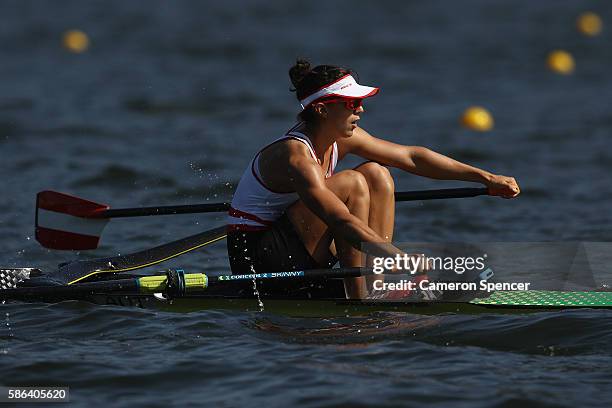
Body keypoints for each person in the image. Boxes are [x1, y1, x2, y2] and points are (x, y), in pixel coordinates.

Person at [226, 59, 520, 299]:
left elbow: (412, 157)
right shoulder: (296, 157)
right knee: (352, 184)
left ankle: (375, 285)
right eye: (352, 104)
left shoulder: (341, 138)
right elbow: (341, 220)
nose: (361, 110)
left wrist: (485, 178)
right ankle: (360, 298)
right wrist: (399, 258)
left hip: (295, 244)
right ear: (322, 109)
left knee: (377, 173)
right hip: (259, 264)